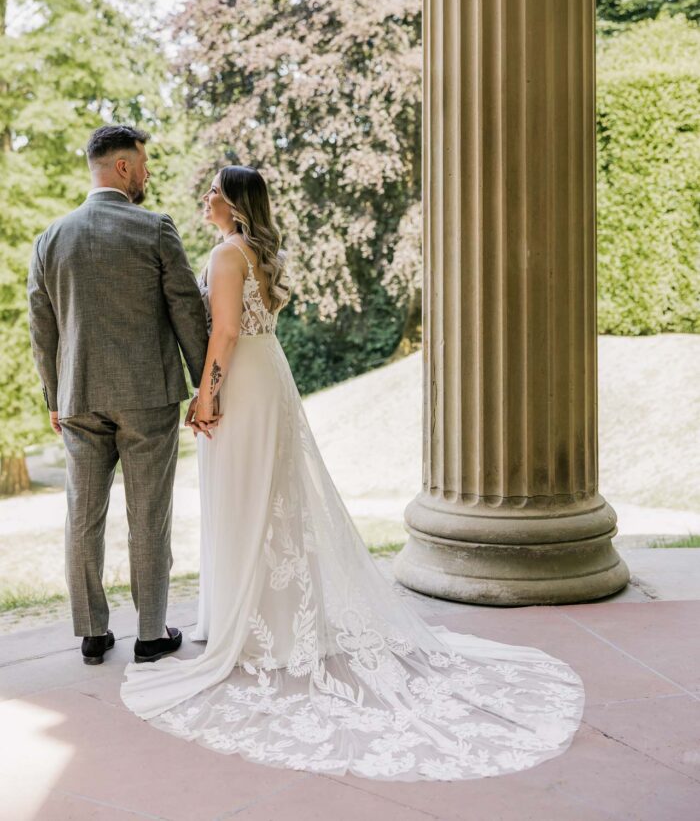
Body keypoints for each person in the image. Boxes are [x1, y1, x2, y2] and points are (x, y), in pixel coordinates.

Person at [120, 164, 585, 782]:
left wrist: (206, 396)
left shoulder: (227, 255)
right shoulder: (258, 251)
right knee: (269, 497)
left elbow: (225, 331)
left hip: (244, 384)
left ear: (234, 203)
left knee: (245, 499)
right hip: (270, 377)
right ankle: (264, 616)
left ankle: (255, 627)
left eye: (214, 192)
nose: (205, 200)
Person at [27, 124, 209, 666]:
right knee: (148, 516)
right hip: (148, 396)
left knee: (82, 515)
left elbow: (42, 328)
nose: (148, 173)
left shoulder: (50, 238)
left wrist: (54, 397)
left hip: (79, 396)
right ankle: (151, 634)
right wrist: (205, 384)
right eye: (145, 163)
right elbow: (186, 311)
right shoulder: (155, 229)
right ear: (124, 166)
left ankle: (92, 633)